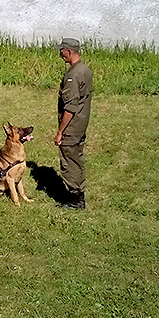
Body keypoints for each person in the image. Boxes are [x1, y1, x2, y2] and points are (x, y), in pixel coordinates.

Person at [55, 37, 92, 209]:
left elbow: (70, 107)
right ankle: (78, 195)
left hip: (72, 126)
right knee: (76, 158)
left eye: (62, 50)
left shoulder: (73, 75)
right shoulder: (85, 70)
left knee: (69, 161)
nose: (60, 54)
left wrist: (60, 131)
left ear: (69, 51)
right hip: (81, 124)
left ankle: (76, 199)